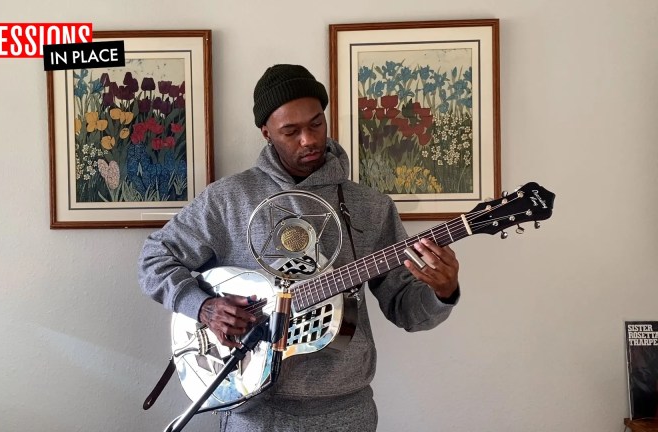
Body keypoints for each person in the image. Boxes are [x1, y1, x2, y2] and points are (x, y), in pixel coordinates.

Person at [138, 64, 461, 432]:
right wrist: (204, 307)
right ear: (266, 132)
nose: (308, 140)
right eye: (290, 131)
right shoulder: (229, 199)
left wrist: (443, 290)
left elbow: (406, 310)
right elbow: (154, 260)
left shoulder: (371, 206)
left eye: (316, 124)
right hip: (254, 413)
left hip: (347, 412)